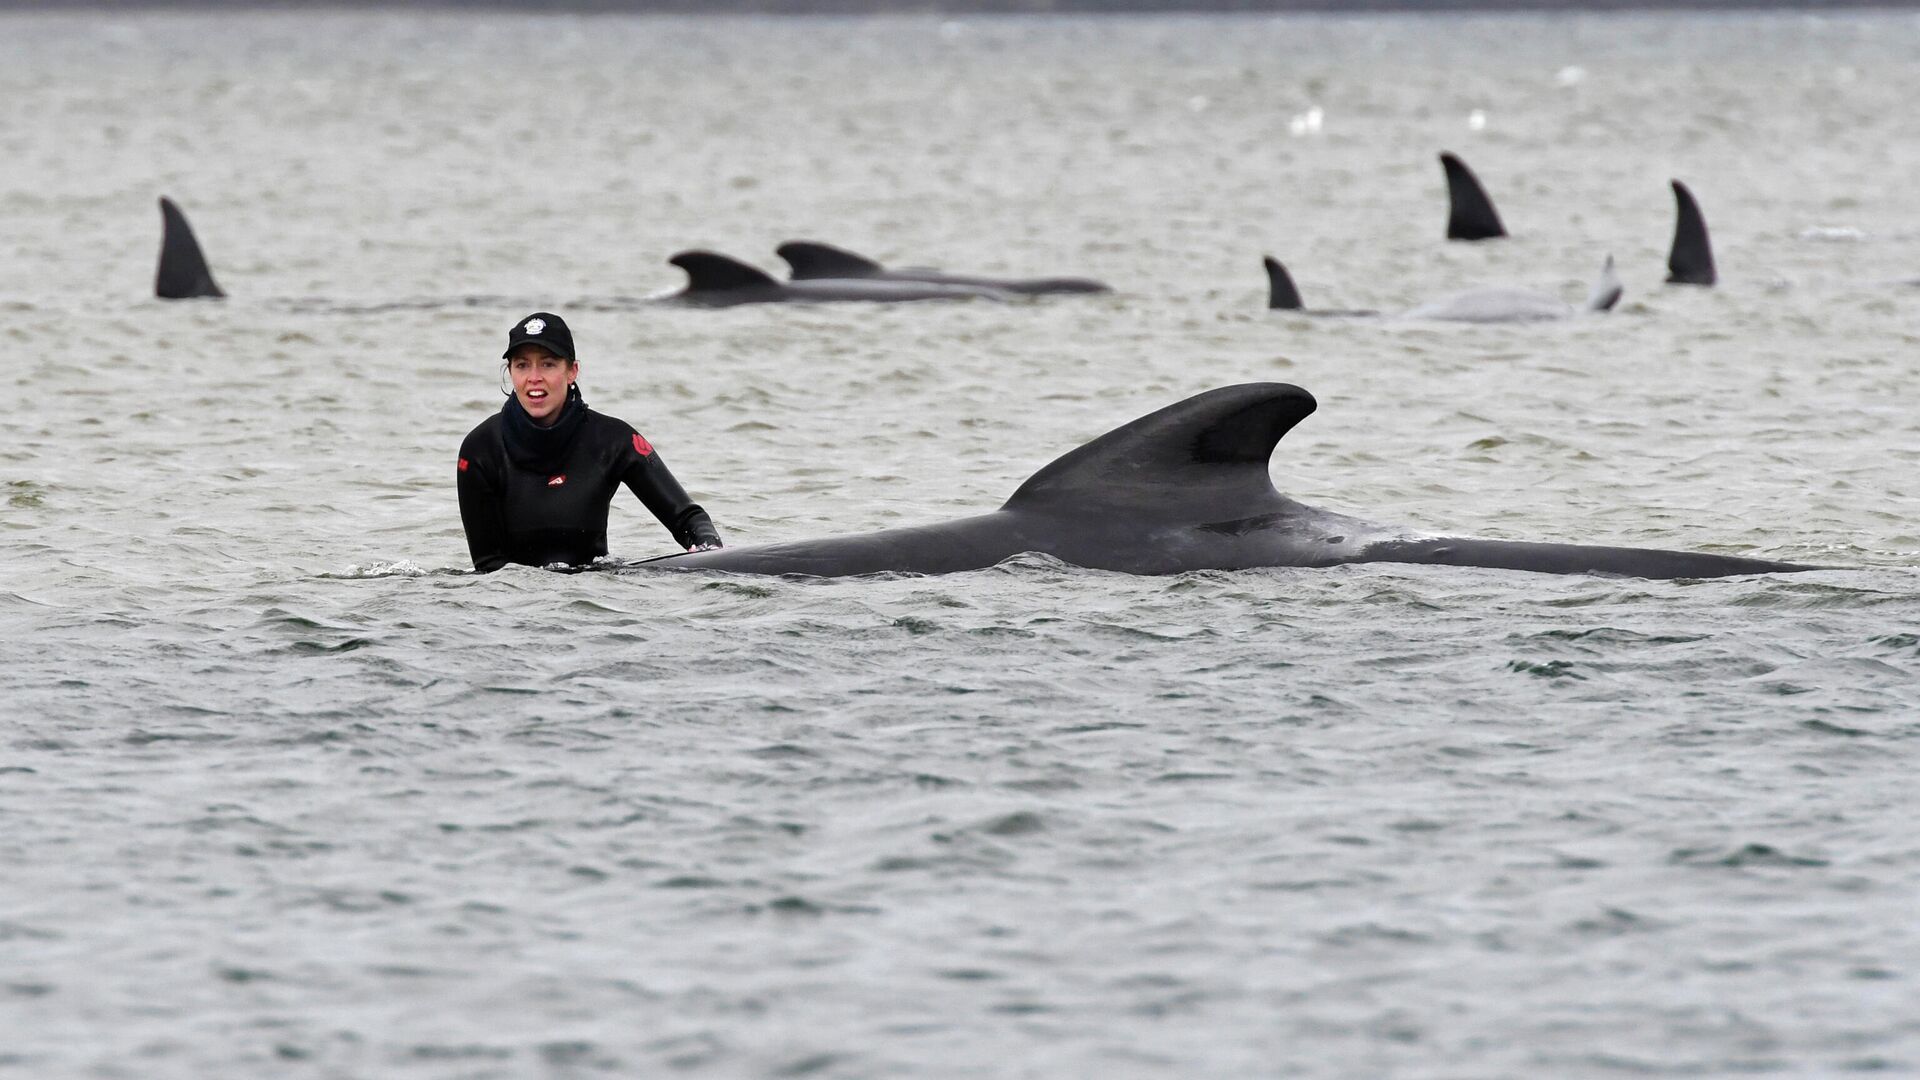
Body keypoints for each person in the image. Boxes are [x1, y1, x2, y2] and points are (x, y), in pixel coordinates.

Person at [457, 312, 722, 572]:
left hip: (593, 600)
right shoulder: (480, 449)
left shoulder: (612, 440)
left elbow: (688, 519)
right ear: (511, 372)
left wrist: (711, 554)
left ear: (572, 371)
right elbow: (488, 569)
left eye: (548, 364)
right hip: (514, 608)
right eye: (522, 365)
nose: (534, 377)